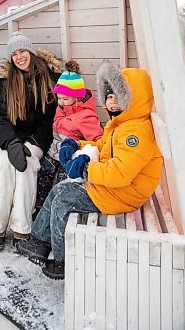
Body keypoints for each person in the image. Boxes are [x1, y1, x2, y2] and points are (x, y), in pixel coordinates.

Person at [17, 61, 163, 280]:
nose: (112, 102)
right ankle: (39, 241)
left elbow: (120, 173)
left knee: (64, 200)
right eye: (109, 96)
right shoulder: (121, 124)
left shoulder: (136, 133)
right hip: (114, 187)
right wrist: (77, 145)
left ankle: (63, 260)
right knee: (58, 190)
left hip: (124, 193)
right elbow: (102, 147)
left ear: (132, 99)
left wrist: (86, 169)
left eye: (117, 96)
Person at [0, 32, 61, 252]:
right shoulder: (6, 84)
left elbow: (48, 121)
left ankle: (22, 228)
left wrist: (30, 145)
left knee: (27, 167)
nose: (19, 57)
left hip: (37, 139)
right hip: (10, 139)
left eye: (22, 51)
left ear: (31, 52)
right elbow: (1, 118)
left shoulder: (49, 79)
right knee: (5, 165)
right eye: (14, 54)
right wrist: (12, 143)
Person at [35, 60, 103, 213]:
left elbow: (98, 141)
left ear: (77, 97)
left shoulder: (86, 117)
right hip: (54, 153)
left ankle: (57, 210)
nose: (61, 102)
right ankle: (40, 206)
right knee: (42, 173)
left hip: (69, 158)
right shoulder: (62, 108)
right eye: (59, 98)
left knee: (62, 184)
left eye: (65, 99)